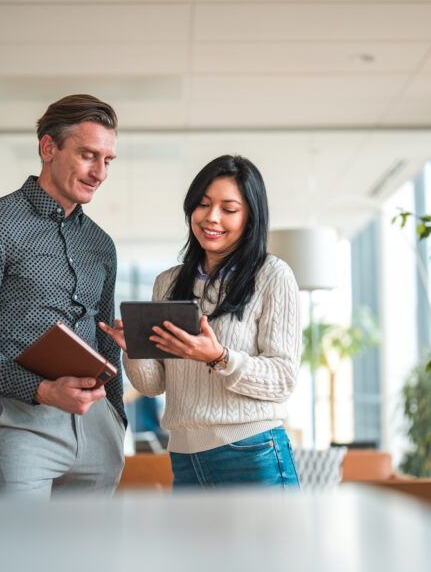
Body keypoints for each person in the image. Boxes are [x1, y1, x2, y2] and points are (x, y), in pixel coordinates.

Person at [0, 94, 126, 498]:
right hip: (19, 426)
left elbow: (107, 336)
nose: (99, 173)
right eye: (88, 155)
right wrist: (41, 390)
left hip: (97, 433)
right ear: (48, 147)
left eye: (107, 160)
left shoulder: (101, 244)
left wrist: (116, 418)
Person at [100, 155, 301, 489]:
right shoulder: (167, 282)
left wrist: (218, 357)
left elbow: (283, 379)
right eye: (203, 204)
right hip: (184, 455)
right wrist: (133, 347)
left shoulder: (272, 276)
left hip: (251, 452)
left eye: (229, 209)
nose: (212, 217)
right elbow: (153, 385)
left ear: (250, 217)